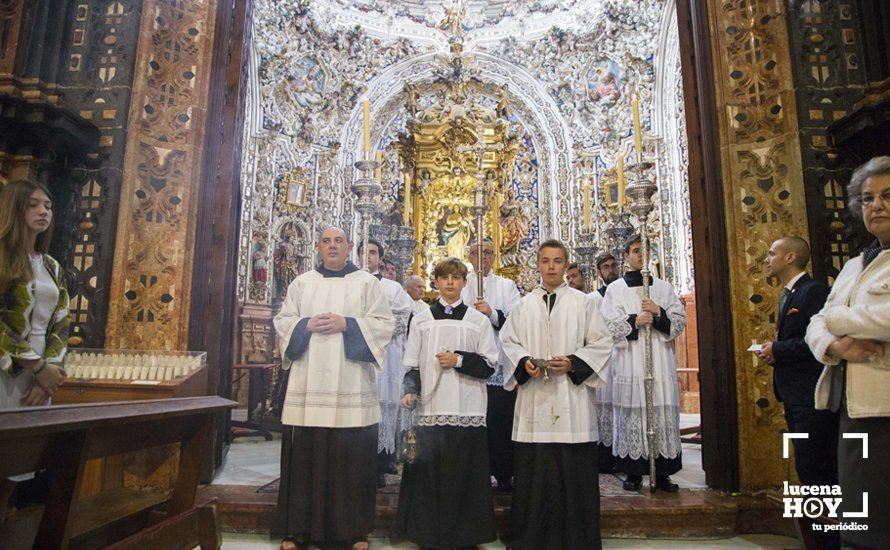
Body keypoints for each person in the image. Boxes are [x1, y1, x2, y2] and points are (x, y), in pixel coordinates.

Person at [273, 227, 394, 550]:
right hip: (309, 384)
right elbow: (284, 322)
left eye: (338, 241)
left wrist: (348, 324)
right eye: (326, 241)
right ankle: (299, 530)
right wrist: (304, 325)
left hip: (350, 384)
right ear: (318, 247)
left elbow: (384, 325)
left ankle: (352, 531)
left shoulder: (366, 283)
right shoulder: (302, 283)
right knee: (306, 460)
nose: (332, 246)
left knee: (351, 461)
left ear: (350, 247)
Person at [500, 239, 612, 549]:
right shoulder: (522, 306)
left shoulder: (584, 303)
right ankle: (530, 539)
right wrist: (525, 362)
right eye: (546, 260)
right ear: (537, 264)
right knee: (534, 474)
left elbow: (601, 343)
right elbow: (508, 342)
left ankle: (577, 540)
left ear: (566, 266)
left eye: (558, 261)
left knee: (573, 473)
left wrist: (574, 363)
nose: (551, 266)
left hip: (571, 398)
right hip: (535, 398)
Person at [806, 156, 890, 549]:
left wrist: (836, 319)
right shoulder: (855, 265)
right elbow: (814, 324)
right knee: (858, 518)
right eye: (868, 198)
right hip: (853, 406)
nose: (878, 206)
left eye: (888, 196)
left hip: (885, 404)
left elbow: (884, 318)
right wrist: (836, 344)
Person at [395, 257, 498, 549]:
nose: (450, 282)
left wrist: (459, 360)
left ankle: (467, 536)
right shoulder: (423, 318)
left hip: (467, 408)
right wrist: (409, 390)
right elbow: (411, 363)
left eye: (456, 277)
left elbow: (491, 364)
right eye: (444, 277)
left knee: (466, 474)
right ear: (436, 282)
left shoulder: (477, 320)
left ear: (465, 282)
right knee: (430, 474)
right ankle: (428, 534)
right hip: (431, 408)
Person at [760, 236, 837, 549]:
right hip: (793, 394)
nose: (767, 259)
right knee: (808, 468)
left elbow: (817, 342)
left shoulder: (813, 292)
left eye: (771, 253)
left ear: (790, 257)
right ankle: (819, 539)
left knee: (818, 470)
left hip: (810, 394)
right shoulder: (789, 293)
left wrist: (778, 349)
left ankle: (828, 540)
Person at [602, 235, 686, 492]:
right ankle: (634, 471)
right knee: (633, 410)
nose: (641, 255)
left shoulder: (663, 287)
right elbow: (605, 323)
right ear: (626, 255)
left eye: (646, 250)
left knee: (660, 410)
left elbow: (679, 321)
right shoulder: (616, 289)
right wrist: (633, 320)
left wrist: (659, 312)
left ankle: (662, 473)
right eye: (636, 250)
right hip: (630, 359)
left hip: (659, 359)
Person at [0, 180, 70, 409]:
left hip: (42, 377)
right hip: (6, 365)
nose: (43, 211)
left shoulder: (52, 266)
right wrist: (36, 365)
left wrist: (47, 377)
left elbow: (62, 321)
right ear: (13, 208)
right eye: (33, 205)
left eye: (48, 207)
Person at [461, 238, 521, 491]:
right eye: (477, 253)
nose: (482, 257)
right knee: (473, 417)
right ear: (469, 256)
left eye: (487, 252)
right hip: (470, 361)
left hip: (498, 363)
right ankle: (475, 471)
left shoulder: (507, 286)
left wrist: (492, 313)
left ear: (494, 257)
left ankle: (503, 470)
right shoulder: (461, 285)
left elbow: (517, 320)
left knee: (499, 419)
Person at [358, 239, 414, 487]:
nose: (368, 257)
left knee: (382, 408)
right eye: (363, 252)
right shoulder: (347, 284)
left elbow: (401, 319)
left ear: (380, 259)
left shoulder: (392, 288)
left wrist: (369, 327)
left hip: (384, 355)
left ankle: (380, 464)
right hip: (356, 354)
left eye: (372, 253)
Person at [587, 253, 620, 473]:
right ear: (599, 273)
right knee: (602, 409)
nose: (610, 270)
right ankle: (604, 457)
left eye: (613, 266)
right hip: (602, 359)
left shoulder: (624, 294)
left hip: (623, 358)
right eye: (605, 267)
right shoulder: (593, 299)